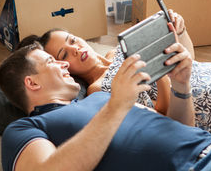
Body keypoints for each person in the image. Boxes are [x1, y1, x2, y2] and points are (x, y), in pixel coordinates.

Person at [0, 40, 211, 171]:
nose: (65, 65)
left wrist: (180, 84)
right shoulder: (24, 130)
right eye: (51, 62)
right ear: (31, 82)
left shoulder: (101, 99)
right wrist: (117, 104)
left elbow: (179, 128)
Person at [17, 10, 193, 116]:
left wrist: (179, 31)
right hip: (196, 104)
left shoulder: (116, 51)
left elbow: (191, 62)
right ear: (63, 67)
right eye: (64, 55)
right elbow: (161, 115)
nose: (75, 49)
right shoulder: (99, 89)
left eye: (72, 41)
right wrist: (159, 67)